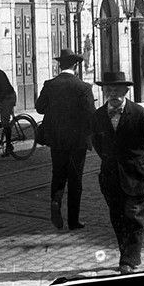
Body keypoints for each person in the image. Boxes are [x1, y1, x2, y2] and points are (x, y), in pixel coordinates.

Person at [91, 70, 144, 274]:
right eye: (109, 89)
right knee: (117, 216)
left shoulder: (139, 113)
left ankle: (128, 260)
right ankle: (128, 255)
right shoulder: (98, 116)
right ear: (104, 91)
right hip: (110, 175)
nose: (113, 93)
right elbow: (98, 143)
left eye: (117, 89)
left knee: (134, 216)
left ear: (125, 90)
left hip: (136, 174)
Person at [36, 49, 95, 230]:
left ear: (60, 65)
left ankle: (56, 201)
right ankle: (73, 221)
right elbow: (91, 115)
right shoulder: (83, 87)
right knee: (75, 179)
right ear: (75, 66)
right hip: (77, 142)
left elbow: (39, 108)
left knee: (58, 174)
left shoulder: (50, 84)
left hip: (56, 139)